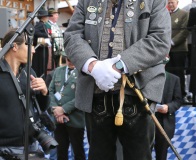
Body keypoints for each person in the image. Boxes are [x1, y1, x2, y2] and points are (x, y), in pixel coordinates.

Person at [64, 0, 171, 159]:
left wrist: (119, 65)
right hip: (95, 95)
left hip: (138, 93)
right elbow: (72, 35)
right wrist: (92, 65)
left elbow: (160, 40)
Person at [0, 28, 51, 159]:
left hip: (32, 145)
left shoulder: (29, 72)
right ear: (15, 47)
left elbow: (42, 107)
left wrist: (44, 92)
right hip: (5, 149)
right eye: (29, 45)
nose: (33, 50)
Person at [48, 53, 86, 160]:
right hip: (58, 120)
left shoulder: (82, 73)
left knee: (78, 152)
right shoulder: (58, 71)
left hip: (75, 119)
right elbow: (50, 91)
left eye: (73, 58)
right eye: (68, 59)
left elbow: (82, 96)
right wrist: (56, 110)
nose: (70, 61)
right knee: (61, 152)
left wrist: (63, 109)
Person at [154, 60, 183, 160]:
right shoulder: (147, 79)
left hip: (164, 120)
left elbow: (178, 100)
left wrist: (168, 107)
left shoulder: (174, 79)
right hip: (148, 119)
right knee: (144, 150)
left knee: (162, 152)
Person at [165, 0, 189, 100]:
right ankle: (170, 96)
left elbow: (185, 30)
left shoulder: (184, 14)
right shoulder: (164, 15)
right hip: (165, 50)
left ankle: (181, 96)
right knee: (167, 74)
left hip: (179, 50)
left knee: (179, 74)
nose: (170, 4)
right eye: (168, 2)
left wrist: (171, 42)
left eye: (172, 2)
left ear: (177, 2)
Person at [32, 7, 52, 78]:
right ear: (43, 17)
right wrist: (46, 36)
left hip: (42, 49)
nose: (47, 18)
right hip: (40, 50)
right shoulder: (40, 25)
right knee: (40, 66)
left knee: (42, 65)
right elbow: (35, 32)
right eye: (47, 17)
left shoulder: (43, 25)